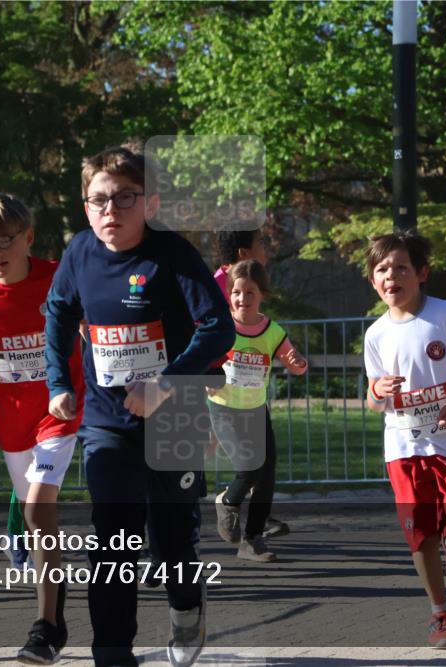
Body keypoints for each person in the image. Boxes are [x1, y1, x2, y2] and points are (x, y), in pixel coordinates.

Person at [45, 145, 234, 667]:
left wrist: (166, 383)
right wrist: (59, 382)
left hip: (174, 416)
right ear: (86, 206)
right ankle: (112, 652)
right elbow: (59, 312)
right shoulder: (80, 252)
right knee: (113, 536)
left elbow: (217, 326)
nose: (111, 211)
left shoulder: (171, 254)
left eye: (124, 198)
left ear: (148, 203)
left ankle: (185, 606)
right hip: (107, 421)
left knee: (172, 541)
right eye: (99, 200)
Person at [0, 191, 85, 664]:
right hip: (12, 421)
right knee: (36, 527)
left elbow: (96, 317)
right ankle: (56, 619)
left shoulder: (58, 277)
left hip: (61, 410)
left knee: (35, 511)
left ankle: (45, 628)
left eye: (4, 241)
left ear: (28, 238)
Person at [363, 231, 446, 649]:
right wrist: (377, 393)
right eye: (381, 269)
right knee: (420, 534)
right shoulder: (376, 334)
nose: (390, 275)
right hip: (403, 446)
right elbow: (372, 397)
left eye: (400, 267)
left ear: (421, 273)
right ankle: (441, 614)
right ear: (373, 281)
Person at [208, 260, 307, 562]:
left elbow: (296, 366)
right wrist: (206, 376)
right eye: (236, 292)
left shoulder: (272, 331)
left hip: (255, 409)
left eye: (249, 293)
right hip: (224, 408)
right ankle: (228, 500)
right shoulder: (220, 327)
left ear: (262, 294)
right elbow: (200, 359)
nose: (242, 299)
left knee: (266, 475)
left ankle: (252, 541)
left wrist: (297, 361)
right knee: (250, 467)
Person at [212, 229, 290, 541]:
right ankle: (230, 502)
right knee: (250, 465)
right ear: (244, 254)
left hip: (253, 397)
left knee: (265, 466)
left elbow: (264, 335)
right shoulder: (216, 285)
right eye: (262, 246)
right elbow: (203, 334)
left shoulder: (260, 308)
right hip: (222, 398)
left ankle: (254, 533)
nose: (267, 253)